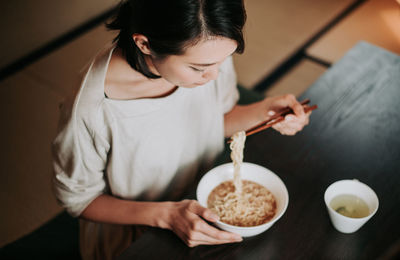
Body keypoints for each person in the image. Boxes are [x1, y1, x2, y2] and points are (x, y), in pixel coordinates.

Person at [52, 0, 311, 259]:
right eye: (199, 68)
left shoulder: (210, 52)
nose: (214, 75)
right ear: (145, 44)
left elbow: (216, 121)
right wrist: (166, 215)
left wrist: (266, 111)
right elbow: (80, 201)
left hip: (202, 202)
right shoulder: (92, 108)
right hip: (137, 234)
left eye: (223, 61)